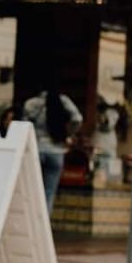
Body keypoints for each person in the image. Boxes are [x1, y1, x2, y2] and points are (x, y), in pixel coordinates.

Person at [22, 85, 82, 215]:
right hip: (56, 150)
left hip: (36, 149)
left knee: (32, 190)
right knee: (49, 193)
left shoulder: (31, 103)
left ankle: (31, 221)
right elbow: (77, 119)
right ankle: (44, 225)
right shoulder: (63, 100)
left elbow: (24, 124)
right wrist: (67, 134)